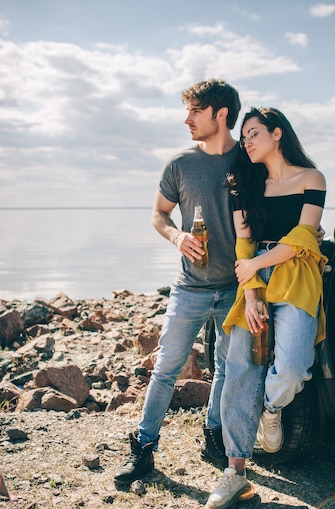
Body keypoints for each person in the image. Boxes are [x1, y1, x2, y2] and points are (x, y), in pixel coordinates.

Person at [114, 78, 242, 484]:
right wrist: (177, 236)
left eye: (195, 111)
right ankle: (144, 449)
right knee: (166, 367)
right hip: (190, 288)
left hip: (239, 287)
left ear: (220, 114)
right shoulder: (180, 164)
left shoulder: (250, 161)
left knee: (225, 366)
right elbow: (158, 214)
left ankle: (214, 433)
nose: (186, 119)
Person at [205, 106, 328, 509]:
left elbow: (304, 236)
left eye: (254, 133)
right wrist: (253, 292)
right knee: (240, 368)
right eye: (244, 138)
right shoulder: (243, 184)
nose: (248, 142)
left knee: (293, 365)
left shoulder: (312, 179)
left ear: (278, 134)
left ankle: (270, 410)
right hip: (253, 279)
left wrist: (257, 262)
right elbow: (244, 243)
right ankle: (235, 472)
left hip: (296, 275)